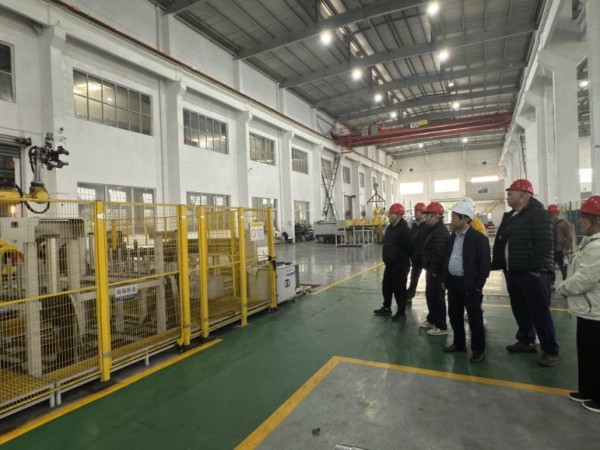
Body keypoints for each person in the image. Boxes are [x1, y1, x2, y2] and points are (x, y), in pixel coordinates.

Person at [491, 179, 559, 367]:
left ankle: (551, 350)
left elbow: (545, 242)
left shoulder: (538, 214)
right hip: (513, 270)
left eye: (510, 193)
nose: (507, 197)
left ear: (524, 195)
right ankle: (526, 340)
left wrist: (536, 267)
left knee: (540, 312)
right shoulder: (512, 215)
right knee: (520, 308)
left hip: (532, 272)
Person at [556, 196, 600, 413]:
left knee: (595, 355)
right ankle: (587, 390)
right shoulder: (588, 242)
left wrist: (563, 288)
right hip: (586, 309)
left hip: (595, 309)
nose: (580, 220)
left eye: (586, 217)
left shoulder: (597, 247)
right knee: (586, 353)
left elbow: (585, 279)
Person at [442, 198, 491, 363]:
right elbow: (447, 258)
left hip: (470, 285)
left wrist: (477, 286)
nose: (451, 219)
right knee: (454, 315)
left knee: (475, 319)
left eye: (454, 216)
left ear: (465, 219)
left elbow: (485, 266)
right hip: (453, 283)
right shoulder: (452, 237)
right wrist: (445, 279)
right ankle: (459, 343)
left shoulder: (479, 239)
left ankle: (478, 350)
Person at [373, 203, 415, 321]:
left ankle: (401, 313)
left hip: (400, 265)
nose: (389, 215)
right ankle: (387, 307)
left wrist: (399, 256)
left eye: (391, 214)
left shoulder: (405, 230)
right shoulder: (390, 228)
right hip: (390, 265)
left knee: (399, 289)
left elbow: (411, 248)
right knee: (386, 286)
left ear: (398, 215)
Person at [420, 201, 450, 336]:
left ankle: (441, 326)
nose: (426, 218)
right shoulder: (434, 230)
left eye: (428, 215)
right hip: (432, 270)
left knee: (437, 298)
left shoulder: (439, 232)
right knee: (431, 296)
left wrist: (434, 271)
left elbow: (439, 253)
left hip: (436, 272)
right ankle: (432, 319)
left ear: (436, 216)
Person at [407, 202, 428, 301]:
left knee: (430, 278)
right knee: (414, 277)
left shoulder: (427, 225)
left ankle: (430, 294)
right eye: (415, 211)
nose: (415, 213)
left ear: (423, 213)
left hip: (425, 256)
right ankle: (410, 294)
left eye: (417, 211)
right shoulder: (414, 225)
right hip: (415, 256)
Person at [548, 204, 572, 283]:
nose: (552, 217)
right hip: (551, 249)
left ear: (557, 214)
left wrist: (566, 248)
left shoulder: (564, 223)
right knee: (551, 267)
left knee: (564, 267)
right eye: (550, 215)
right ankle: (551, 282)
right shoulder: (548, 223)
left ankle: (565, 280)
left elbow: (569, 237)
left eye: (553, 215)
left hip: (561, 250)